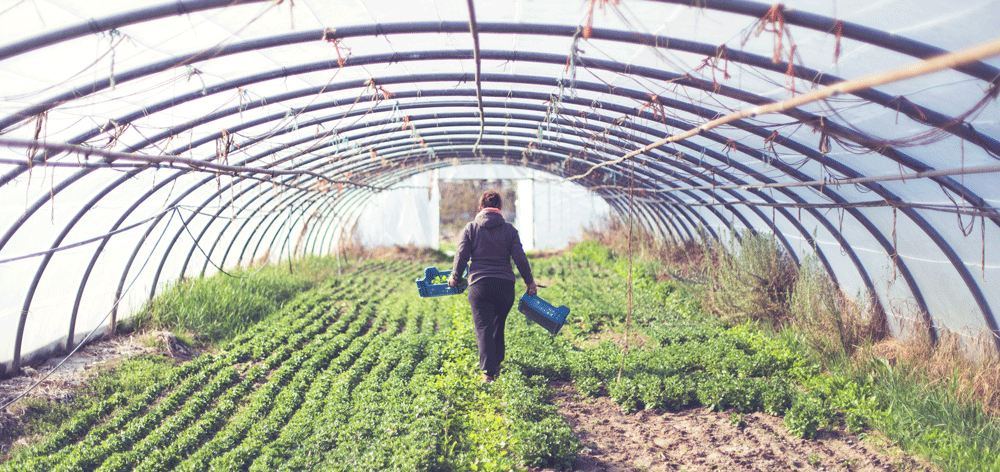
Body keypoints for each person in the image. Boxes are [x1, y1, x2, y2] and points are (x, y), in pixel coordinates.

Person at [449, 190, 537, 382]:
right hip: (505, 286)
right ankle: (496, 364)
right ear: (500, 208)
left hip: (479, 285)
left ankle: (489, 374)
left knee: (483, 326)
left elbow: (461, 254)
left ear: (480, 207)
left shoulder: (471, 228)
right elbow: (520, 258)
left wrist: (455, 276)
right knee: (498, 324)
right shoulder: (510, 230)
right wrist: (529, 281)